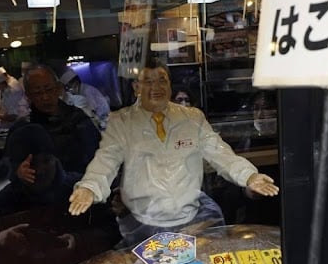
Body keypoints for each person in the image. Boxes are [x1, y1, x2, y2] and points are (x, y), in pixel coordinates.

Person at [68, 63, 279, 246]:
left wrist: (249, 176)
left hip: (192, 209)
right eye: (149, 82)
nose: (156, 88)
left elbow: (220, 153)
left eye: (162, 81)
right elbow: (106, 161)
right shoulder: (122, 122)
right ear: (136, 87)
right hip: (144, 215)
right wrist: (90, 187)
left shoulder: (191, 117)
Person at [9, 63, 100, 182]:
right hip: (42, 191)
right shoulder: (23, 129)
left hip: (82, 186)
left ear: (58, 89)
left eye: (49, 90)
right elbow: (8, 167)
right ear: (28, 96)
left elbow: (100, 157)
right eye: (37, 93)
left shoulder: (77, 118)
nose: (45, 97)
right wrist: (18, 172)